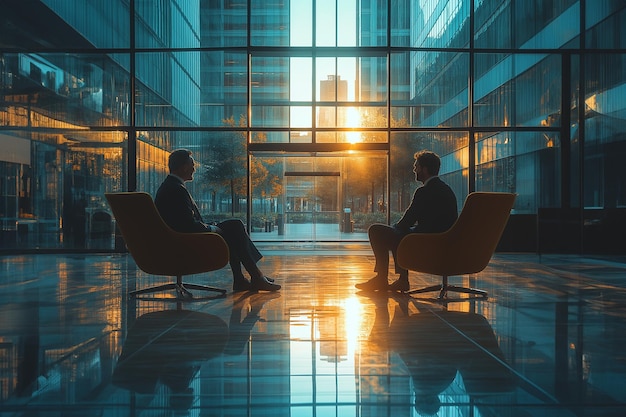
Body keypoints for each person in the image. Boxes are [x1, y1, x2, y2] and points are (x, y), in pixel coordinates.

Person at [154, 149, 280, 292]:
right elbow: (186, 224)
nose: (194, 168)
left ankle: (246, 279)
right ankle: (254, 277)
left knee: (234, 226)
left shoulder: (171, 186)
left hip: (182, 237)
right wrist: (212, 229)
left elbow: (182, 221)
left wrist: (210, 226)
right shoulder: (175, 190)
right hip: (185, 241)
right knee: (235, 228)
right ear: (183, 167)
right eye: (192, 164)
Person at [356, 150, 457, 292]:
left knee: (377, 230)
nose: (414, 170)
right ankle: (401, 280)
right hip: (443, 241)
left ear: (425, 169)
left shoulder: (424, 191)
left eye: (417, 167)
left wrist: (394, 228)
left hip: (425, 240)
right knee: (399, 234)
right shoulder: (447, 190)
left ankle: (383, 279)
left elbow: (407, 221)